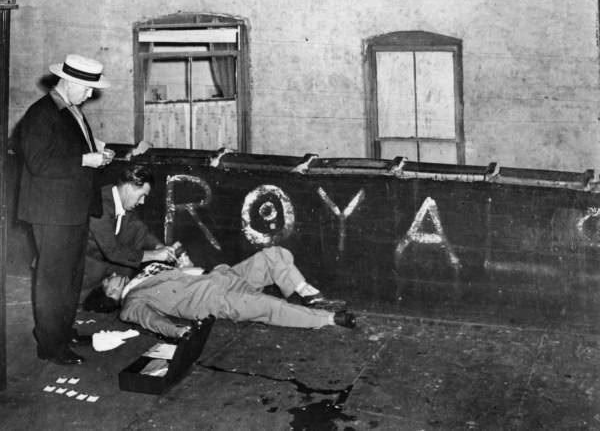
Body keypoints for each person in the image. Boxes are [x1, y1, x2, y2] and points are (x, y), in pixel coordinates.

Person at [17, 54, 114, 365]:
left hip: (70, 208)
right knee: (53, 279)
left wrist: (94, 148)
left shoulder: (70, 109)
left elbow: (64, 147)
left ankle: (61, 331)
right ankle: (50, 345)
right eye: (87, 89)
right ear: (70, 83)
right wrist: (86, 160)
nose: (90, 95)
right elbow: (39, 161)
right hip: (52, 212)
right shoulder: (41, 114)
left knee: (71, 276)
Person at [84, 246, 357, 336]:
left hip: (222, 276)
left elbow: (183, 275)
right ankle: (327, 318)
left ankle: (308, 295)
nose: (111, 276)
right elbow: (151, 320)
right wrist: (176, 331)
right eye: (107, 282)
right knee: (268, 307)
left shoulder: (142, 273)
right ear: (107, 295)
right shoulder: (131, 304)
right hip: (215, 299)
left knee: (274, 254)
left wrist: (184, 264)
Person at [83, 166, 178, 298]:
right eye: (142, 195)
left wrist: (160, 247)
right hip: (86, 285)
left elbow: (139, 229)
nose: (142, 201)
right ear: (128, 187)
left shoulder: (121, 203)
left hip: (104, 278)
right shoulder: (100, 205)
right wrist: (155, 255)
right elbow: (113, 252)